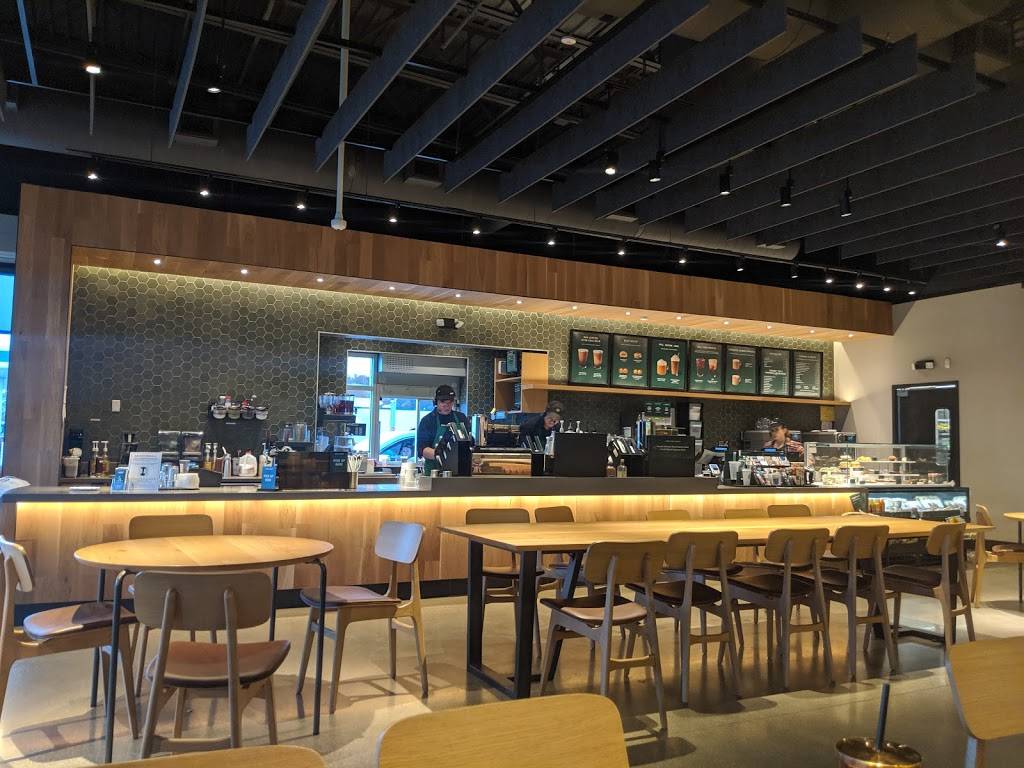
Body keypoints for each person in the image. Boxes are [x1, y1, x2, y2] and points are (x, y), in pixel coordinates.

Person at [417, 384, 472, 474]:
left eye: (450, 402)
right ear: (436, 402)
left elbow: (469, 442)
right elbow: (422, 449)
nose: (446, 405)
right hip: (434, 472)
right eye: (443, 402)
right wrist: (440, 455)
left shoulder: (461, 418)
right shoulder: (427, 421)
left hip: (459, 472)